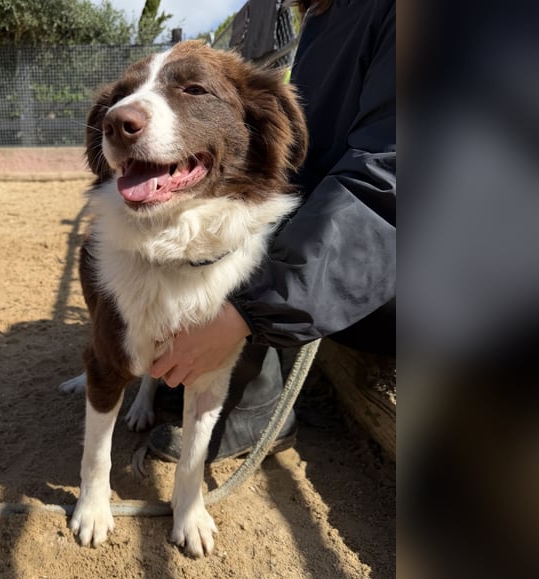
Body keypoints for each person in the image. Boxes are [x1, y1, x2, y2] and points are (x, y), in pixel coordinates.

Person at [146, 0, 396, 462]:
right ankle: (204, 369)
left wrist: (245, 311)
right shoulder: (328, 13)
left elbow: (389, 187)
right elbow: (308, 165)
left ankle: (256, 405)